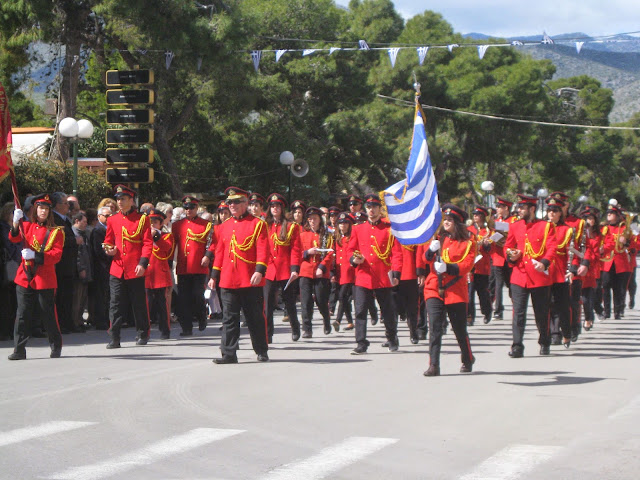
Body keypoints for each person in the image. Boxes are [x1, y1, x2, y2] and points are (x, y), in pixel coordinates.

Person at [209, 187, 269, 364]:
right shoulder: (223, 227)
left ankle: (261, 350)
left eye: (235, 202)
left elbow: (263, 250)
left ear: (245, 203)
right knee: (229, 318)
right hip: (228, 280)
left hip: (249, 279)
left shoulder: (258, 224)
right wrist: (214, 276)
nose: (232, 205)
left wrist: (259, 271)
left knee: (255, 318)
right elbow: (219, 252)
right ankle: (228, 354)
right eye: (229, 202)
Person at [417, 204, 476, 376]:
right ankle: (433, 365)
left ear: (457, 223)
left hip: (455, 290)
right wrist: (430, 250)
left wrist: (448, 268)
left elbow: (467, 265)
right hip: (434, 287)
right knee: (435, 327)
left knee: (459, 329)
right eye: (446, 220)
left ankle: (467, 358)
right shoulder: (439, 238)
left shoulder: (468, 242)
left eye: (450, 220)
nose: (446, 222)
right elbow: (425, 259)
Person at [7, 194, 64, 360]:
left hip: (44, 278)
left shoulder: (56, 232)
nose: (43, 211)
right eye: (40, 208)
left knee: (48, 314)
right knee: (22, 314)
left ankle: (55, 346)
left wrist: (35, 255)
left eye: (46, 209)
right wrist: (16, 223)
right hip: (25, 276)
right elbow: (13, 238)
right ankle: (19, 350)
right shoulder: (26, 226)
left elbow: (56, 255)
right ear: (35, 209)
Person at [503, 194, 558, 357]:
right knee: (518, 313)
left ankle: (544, 341)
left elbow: (552, 247)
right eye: (518, 207)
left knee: (541, 313)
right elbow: (507, 245)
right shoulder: (515, 226)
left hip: (539, 276)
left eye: (522, 208)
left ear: (532, 209)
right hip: (519, 276)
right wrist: (510, 254)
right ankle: (517, 346)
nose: (519, 210)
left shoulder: (546, 226)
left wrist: (545, 263)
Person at [347, 194, 402, 354]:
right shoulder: (358, 228)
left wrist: (396, 273)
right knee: (360, 310)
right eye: (369, 207)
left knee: (388, 310)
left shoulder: (388, 229)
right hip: (363, 275)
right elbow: (350, 249)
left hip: (383, 275)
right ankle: (361, 342)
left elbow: (396, 253)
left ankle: (392, 338)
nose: (371, 210)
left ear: (380, 209)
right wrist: (353, 259)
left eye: (374, 207)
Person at [102, 185, 153, 349]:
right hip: (117, 268)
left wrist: (143, 263)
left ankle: (142, 333)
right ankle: (114, 337)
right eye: (118, 199)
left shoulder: (142, 219)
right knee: (115, 303)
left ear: (131, 200)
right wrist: (108, 249)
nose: (120, 202)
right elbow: (108, 240)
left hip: (135, 267)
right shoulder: (112, 219)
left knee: (138, 302)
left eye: (123, 199)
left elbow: (147, 243)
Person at [171, 196, 213, 336]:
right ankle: (186, 328)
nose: (188, 210)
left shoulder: (206, 224)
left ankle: (201, 315)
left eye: (191, 207)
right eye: (186, 208)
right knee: (184, 299)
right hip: (183, 267)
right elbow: (172, 245)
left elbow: (212, 243)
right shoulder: (177, 225)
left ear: (197, 208)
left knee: (197, 295)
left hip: (199, 266)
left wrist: (207, 256)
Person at [263, 193, 302, 342]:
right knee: (267, 304)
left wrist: (294, 269)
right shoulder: (265, 225)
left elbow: (295, 249)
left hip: (285, 270)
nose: (275, 208)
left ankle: (295, 328)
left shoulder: (291, 227)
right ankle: (268, 333)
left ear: (282, 208)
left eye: (277, 206)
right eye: (272, 206)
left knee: (289, 302)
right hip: (269, 270)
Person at [299, 206, 334, 338]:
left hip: (320, 272)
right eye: (310, 219)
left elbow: (330, 253)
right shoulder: (302, 235)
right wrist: (307, 252)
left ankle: (326, 320)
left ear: (320, 220)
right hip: (306, 271)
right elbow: (297, 253)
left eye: (315, 218)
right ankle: (307, 328)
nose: (312, 221)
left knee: (321, 300)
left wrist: (322, 267)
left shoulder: (326, 235)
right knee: (306, 301)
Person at [546, 197, 574, 348]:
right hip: (544, 272)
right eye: (549, 211)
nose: (551, 214)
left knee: (562, 305)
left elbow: (575, 252)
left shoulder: (568, 230)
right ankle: (553, 333)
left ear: (560, 213)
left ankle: (567, 332)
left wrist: (573, 270)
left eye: (555, 211)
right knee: (547, 304)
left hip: (560, 272)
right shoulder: (542, 228)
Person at [51, 192, 79, 334]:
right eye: (65, 203)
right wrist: (74, 240)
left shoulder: (65, 219)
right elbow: (56, 239)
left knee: (68, 295)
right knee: (61, 296)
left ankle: (69, 322)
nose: (68, 205)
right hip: (60, 264)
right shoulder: (53, 219)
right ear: (57, 205)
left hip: (69, 264)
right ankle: (61, 324)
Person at [146, 209, 175, 340]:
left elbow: (167, 249)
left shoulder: (166, 236)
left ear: (161, 224)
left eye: (155, 222)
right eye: (150, 222)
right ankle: (144, 331)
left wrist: (155, 236)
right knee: (146, 304)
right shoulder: (144, 236)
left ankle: (165, 330)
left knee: (162, 304)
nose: (152, 224)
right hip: (147, 274)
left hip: (160, 274)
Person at [601, 204, 633, 319]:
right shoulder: (604, 228)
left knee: (619, 288)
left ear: (617, 215)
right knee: (605, 286)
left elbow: (631, 244)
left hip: (620, 261)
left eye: (612, 213)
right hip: (607, 261)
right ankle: (606, 311)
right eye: (608, 213)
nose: (609, 214)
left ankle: (618, 310)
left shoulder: (624, 228)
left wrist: (626, 241)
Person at [489, 197, 517, 320]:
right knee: (498, 285)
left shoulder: (514, 220)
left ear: (506, 208)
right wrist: (490, 239)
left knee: (512, 285)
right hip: (498, 257)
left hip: (510, 256)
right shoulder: (496, 221)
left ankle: (516, 306)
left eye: (500, 207)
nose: (497, 209)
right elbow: (493, 236)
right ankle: (498, 310)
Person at [467, 205, 493, 325]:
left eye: (478, 215)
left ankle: (487, 311)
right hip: (471, 266)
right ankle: (470, 316)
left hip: (483, 266)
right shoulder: (469, 230)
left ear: (483, 217)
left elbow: (490, 250)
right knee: (469, 292)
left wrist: (486, 244)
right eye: (474, 215)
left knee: (483, 293)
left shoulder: (488, 231)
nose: (475, 216)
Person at [89, 206, 112, 330]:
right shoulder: (98, 230)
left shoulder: (109, 229)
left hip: (108, 266)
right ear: (99, 217)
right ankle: (100, 320)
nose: (108, 218)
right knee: (101, 295)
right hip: (101, 267)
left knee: (106, 294)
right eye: (106, 216)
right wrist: (110, 256)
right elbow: (98, 251)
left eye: (110, 215)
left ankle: (106, 319)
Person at [580, 206, 603, 331]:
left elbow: (595, 253)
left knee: (587, 297)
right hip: (575, 268)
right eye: (587, 218)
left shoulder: (596, 235)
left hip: (589, 269)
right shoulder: (577, 232)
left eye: (592, 218)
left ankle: (588, 318)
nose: (590, 221)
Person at [0, 202, 20, 340]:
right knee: (7, 300)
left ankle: (12, 329)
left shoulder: (18, 227)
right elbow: (9, 244)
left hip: (18, 263)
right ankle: (6, 330)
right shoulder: (3, 227)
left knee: (14, 300)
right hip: (9, 264)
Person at [332, 212, 355, 331]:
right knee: (343, 297)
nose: (343, 225)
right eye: (341, 223)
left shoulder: (352, 237)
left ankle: (338, 320)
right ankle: (349, 321)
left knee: (342, 296)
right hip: (339, 271)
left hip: (349, 271)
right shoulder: (336, 238)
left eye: (345, 223)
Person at [71, 211, 92, 332]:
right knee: (77, 299)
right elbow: (78, 254)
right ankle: (75, 322)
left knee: (83, 298)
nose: (86, 224)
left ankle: (79, 320)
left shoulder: (83, 234)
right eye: (83, 222)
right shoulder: (75, 235)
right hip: (80, 271)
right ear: (77, 221)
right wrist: (81, 269)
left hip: (86, 269)